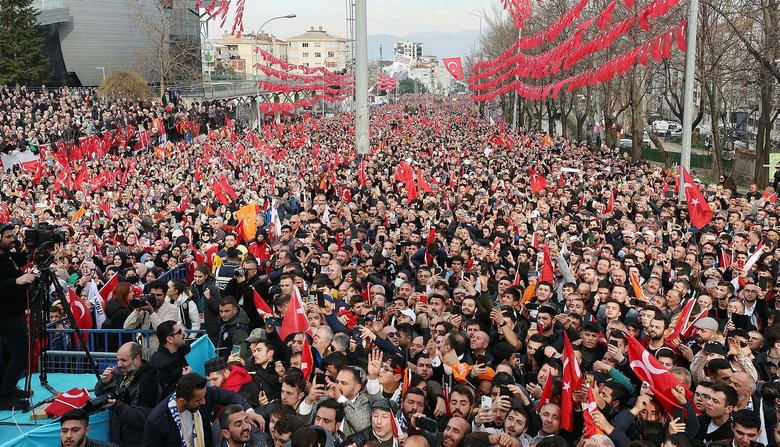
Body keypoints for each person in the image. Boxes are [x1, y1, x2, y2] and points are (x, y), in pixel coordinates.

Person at [143, 372, 264, 447]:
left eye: (204, 397)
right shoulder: (157, 421)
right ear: (181, 401)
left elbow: (231, 396)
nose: (204, 402)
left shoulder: (203, 393)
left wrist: (250, 412)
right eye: (198, 400)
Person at [95, 342, 163, 447]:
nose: (119, 364)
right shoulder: (123, 373)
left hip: (137, 442)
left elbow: (140, 418)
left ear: (137, 359)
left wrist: (116, 405)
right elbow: (99, 394)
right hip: (120, 440)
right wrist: (104, 382)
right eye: (118, 360)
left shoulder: (148, 384)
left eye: (123, 360)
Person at [0, 222, 37, 409]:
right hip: (5, 316)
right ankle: (5, 397)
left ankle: (5, 389)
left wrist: (37, 250)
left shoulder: (8, 256)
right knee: (20, 353)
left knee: (7, 355)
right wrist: (17, 280)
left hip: (14, 312)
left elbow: (21, 259)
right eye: (7, 237)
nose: (11, 240)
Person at [149, 320, 192, 397]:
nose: (183, 333)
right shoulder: (159, 362)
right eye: (179, 332)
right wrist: (184, 379)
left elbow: (186, 348)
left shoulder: (178, 351)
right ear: (169, 339)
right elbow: (165, 392)